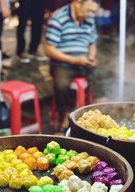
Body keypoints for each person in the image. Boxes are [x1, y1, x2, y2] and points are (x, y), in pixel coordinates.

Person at [45, 0, 99, 131]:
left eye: (93, 11)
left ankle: (87, 115)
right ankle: (63, 116)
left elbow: (92, 43)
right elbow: (49, 50)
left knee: (100, 78)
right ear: (77, 4)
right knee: (62, 85)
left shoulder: (89, 19)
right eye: (89, 10)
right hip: (62, 63)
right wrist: (73, 60)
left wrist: (91, 57)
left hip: (83, 61)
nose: (90, 14)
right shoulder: (59, 18)